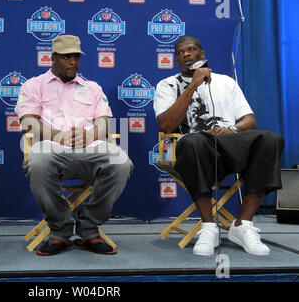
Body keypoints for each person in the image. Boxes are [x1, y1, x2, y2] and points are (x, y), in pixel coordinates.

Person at [153, 36, 284, 256]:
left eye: (191, 49)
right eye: (180, 52)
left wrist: (232, 129)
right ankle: (208, 226)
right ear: (176, 60)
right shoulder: (167, 85)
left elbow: (249, 120)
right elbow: (166, 126)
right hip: (197, 149)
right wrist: (192, 86)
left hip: (231, 144)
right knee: (192, 140)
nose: (185, 54)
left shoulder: (226, 82)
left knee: (270, 139)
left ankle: (242, 225)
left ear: (202, 55)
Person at [15, 35, 133, 256]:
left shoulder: (92, 87)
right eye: (66, 57)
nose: (73, 62)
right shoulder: (33, 85)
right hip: (52, 149)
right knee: (37, 160)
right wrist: (58, 135)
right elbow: (28, 122)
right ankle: (60, 229)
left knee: (121, 162)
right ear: (53, 58)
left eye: (76, 57)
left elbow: (105, 122)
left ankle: (88, 226)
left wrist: (90, 135)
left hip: (90, 148)